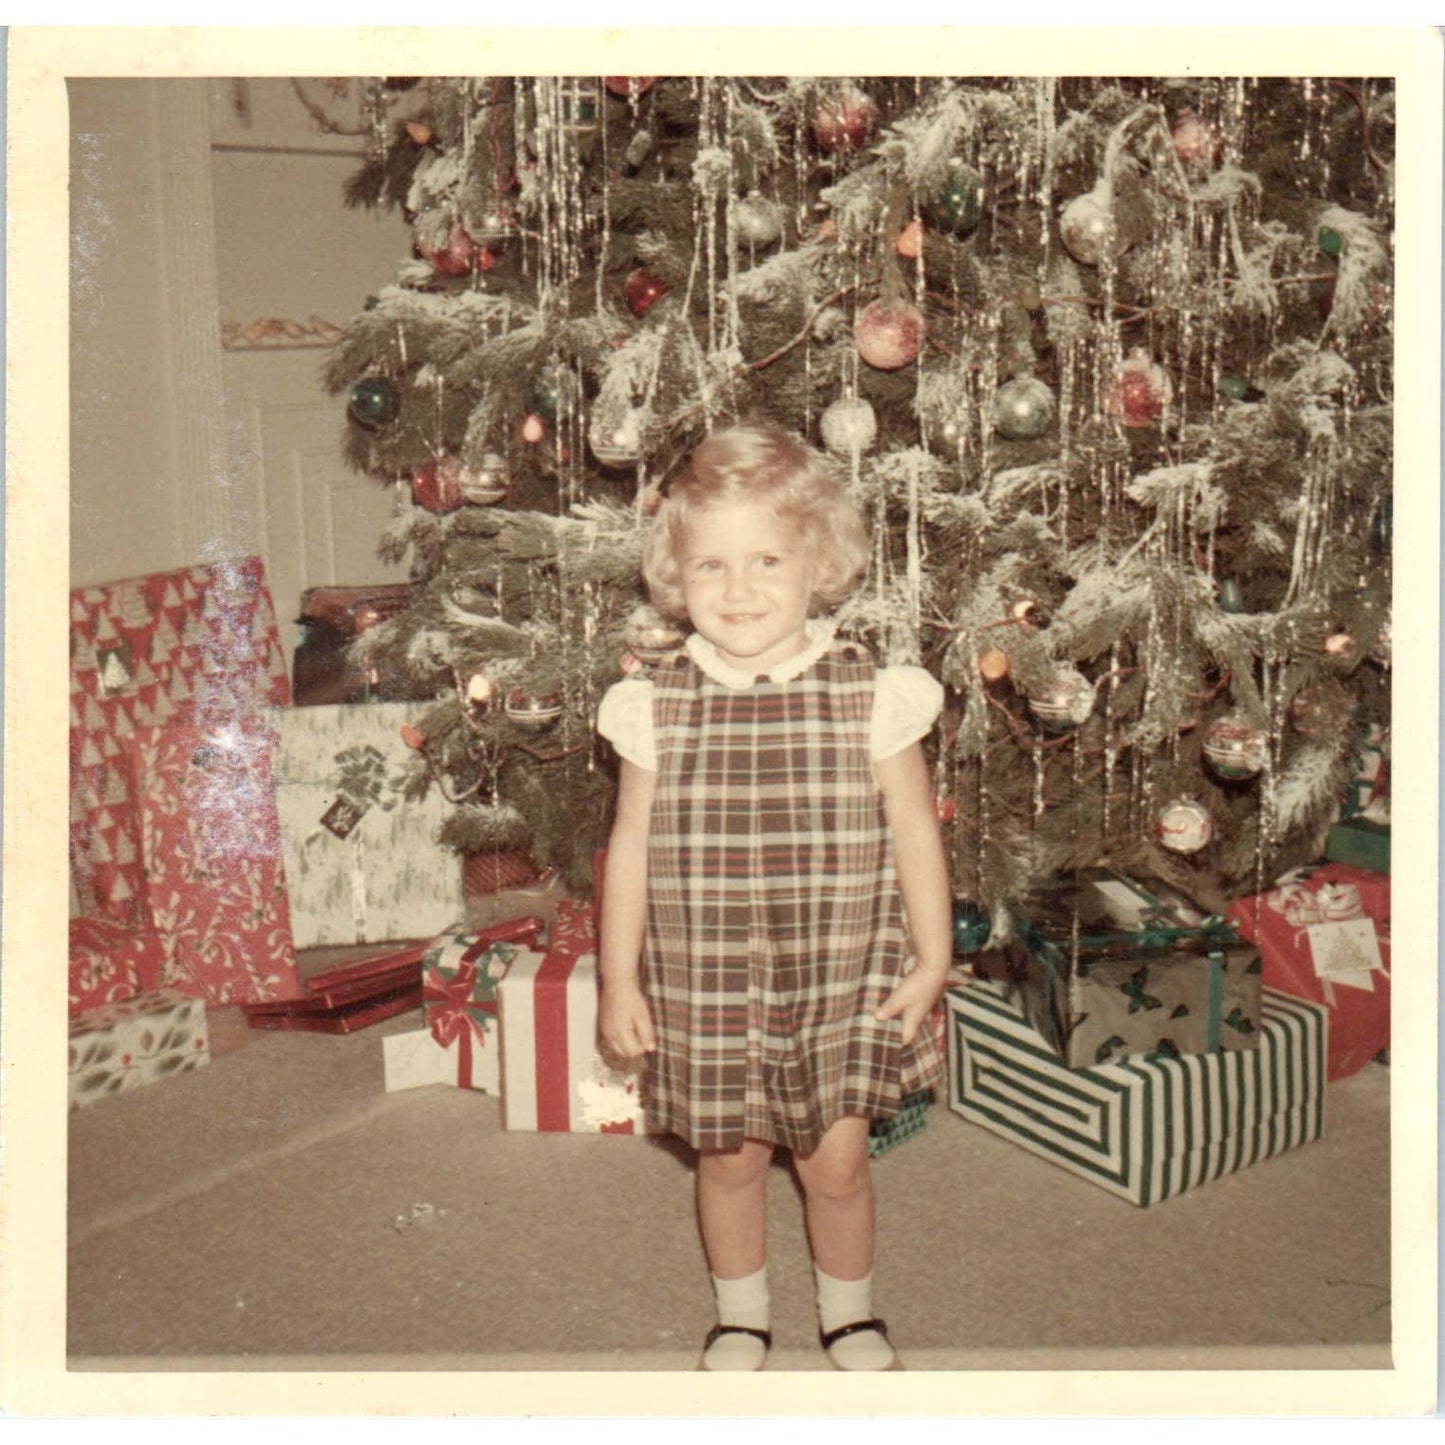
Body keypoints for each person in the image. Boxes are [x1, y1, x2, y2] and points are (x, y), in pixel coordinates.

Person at [596, 422, 952, 1372]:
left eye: (765, 559)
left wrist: (934, 959)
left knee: (835, 1161)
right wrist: (615, 981)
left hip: (840, 972)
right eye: (710, 565)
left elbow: (915, 828)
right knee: (730, 1158)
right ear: (676, 575)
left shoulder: (870, 692)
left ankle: (849, 1312)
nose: (739, 589)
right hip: (705, 979)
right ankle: (741, 1313)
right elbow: (628, 843)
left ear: (817, 562)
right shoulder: (654, 702)